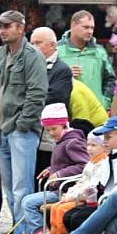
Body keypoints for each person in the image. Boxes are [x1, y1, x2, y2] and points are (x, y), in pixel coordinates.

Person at [0, 10, 47, 234]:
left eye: (8, 26)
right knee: (9, 190)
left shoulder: (32, 55)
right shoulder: (0, 55)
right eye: (1, 26)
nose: (3, 30)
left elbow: (37, 94)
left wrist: (22, 124)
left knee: (22, 188)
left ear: (21, 28)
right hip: (1, 130)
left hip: (21, 131)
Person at [19, 103, 88, 234]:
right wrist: (51, 169)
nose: (51, 133)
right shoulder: (62, 141)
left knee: (28, 204)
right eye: (48, 130)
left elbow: (85, 165)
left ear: (64, 124)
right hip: (58, 189)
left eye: (53, 129)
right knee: (26, 200)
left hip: (66, 192)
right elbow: (66, 162)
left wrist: (60, 174)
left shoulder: (72, 142)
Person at [30, 26, 74, 189]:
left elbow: (55, 98)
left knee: (47, 177)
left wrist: (29, 101)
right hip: (33, 130)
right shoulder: (30, 67)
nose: (33, 47)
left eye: (38, 43)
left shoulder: (61, 70)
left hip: (51, 133)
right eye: (32, 43)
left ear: (52, 45)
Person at [46, 131, 109, 234]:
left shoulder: (102, 163)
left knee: (61, 209)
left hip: (88, 199)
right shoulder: (91, 162)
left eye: (93, 145)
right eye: (88, 145)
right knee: (55, 208)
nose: (89, 148)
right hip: (79, 196)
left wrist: (70, 197)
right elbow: (81, 181)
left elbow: (90, 187)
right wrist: (69, 193)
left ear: (104, 147)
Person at [56, 10, 115, 108]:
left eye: (92, 28)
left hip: (94, 111)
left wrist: (104, 103)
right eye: (86, 27)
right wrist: (64, 74)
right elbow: (46, 78)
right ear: (73, 25)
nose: (90, 31)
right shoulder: (57, 50)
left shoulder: (100, 52)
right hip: (64, 111)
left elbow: (110, 80)